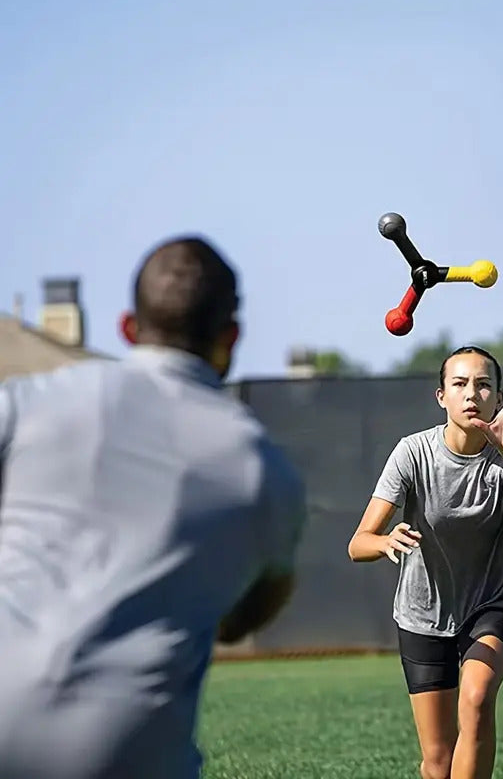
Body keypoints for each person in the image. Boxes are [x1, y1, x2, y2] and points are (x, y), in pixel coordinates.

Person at [0, 236, 307, 779]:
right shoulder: (264, 470)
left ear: (126, 327)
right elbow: (244, 617)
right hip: (122, 754)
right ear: (231, 338)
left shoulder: (25, 403)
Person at [348, 345, 503, 779]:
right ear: (441, 396)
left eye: (483, 385)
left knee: (477, 699)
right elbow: (357, 543)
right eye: (459, 384)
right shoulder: (412, 453)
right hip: (423, 612)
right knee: (438, 762)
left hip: (492, 600)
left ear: (498, 397)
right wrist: (385, 541)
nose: (471, 394)